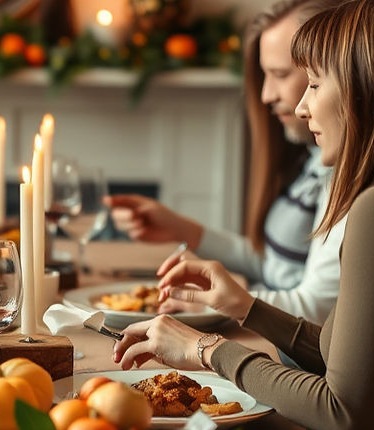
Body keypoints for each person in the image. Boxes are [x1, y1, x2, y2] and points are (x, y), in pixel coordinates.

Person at [113, 0, 374, 430]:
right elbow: (353, 362)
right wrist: (248, 310)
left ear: (366, 86)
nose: (298, 104)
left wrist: (207, 350)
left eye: (314, 83)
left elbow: (346, 413)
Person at [105, 0, 345, 325]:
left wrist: (216, 302)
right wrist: (184, 229)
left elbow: (318, 311)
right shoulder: (315, 160)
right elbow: (275, 268)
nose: (265, 96)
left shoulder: (343, 176)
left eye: (280, 74)